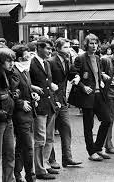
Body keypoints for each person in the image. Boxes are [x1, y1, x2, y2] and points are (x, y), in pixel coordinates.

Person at [68, 33, 111, 161]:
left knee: (107, 120)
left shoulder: (98, 58)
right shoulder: (80, 58)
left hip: (98, 94)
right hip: (87, 95)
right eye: (91, 43)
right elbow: (73, 74)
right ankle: (91, 152)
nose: (94, 46)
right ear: (86, 45)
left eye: (96, 43)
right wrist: (82, 86)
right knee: (89, 125)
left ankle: (98, 147)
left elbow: (97, 72)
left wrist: (102, 77)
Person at [48, 38, 82, 168]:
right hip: (52, 100)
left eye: (69, 47)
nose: (68, 50)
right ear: (57, 49)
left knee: (66, 129)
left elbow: (72, 73)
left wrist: (77, 77)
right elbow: (47, 80)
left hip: (62, 100)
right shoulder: (51, 62)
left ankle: (67, 158)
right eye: (65, 47)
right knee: (50, 131)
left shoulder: (67, 61)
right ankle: (51, 160)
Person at [29, 37, 59, 180]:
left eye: (51, 49)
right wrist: (32, 87)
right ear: (39, 48)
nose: (49, 51)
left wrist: (55, 99)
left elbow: (49, 82)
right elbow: (25, 81)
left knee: (49, 138)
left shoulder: (46, 63)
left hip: (49, 104)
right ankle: (40, 169)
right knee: (40, 139)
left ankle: (45, 164)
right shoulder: (31, 63)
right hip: (39, 106)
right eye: (47, 48)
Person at [10, 45, 39, 182]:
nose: (30, 58)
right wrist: (21, 103)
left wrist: (32, 94)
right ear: (20, 57)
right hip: (21, 114)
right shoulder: (15, 71)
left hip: (27, 113)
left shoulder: (24, 70)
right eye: (27, 56)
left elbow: (24, 88)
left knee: (21, 146)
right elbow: (12, 92)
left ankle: (17, 174)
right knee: (27, 146)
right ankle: (29, 176)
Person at [0, 46, 16, 182]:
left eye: (12, 60)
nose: (12, 63)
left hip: (7, 119)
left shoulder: (6, 75)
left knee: (10, 154)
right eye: (8, 61)